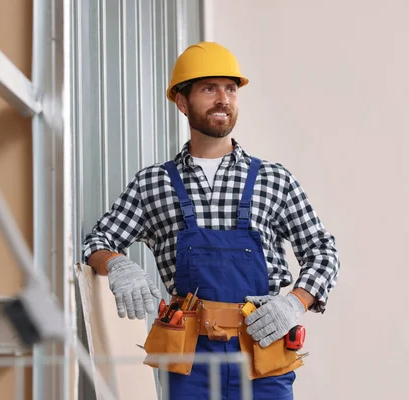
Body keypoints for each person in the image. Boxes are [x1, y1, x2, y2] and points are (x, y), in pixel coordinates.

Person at [82, 41, 340, 400]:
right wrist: (118, 265)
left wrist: (294, 302)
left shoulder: (274, 179)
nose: (223, 99)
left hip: (263, 350)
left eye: (230, 89)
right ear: (182, 102)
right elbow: (97, 242)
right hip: (189, 360)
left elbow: (323, 252)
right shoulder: (153, 183)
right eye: (209, 89)